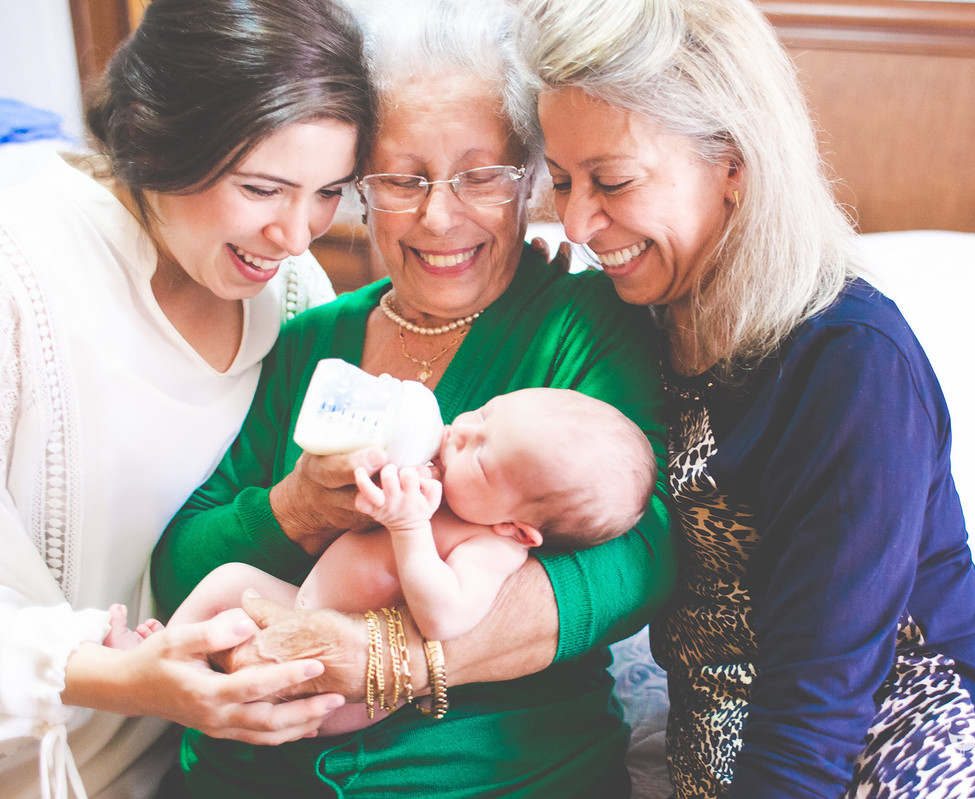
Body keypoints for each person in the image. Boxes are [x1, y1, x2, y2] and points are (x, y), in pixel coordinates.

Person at [148, 0, 675, 796]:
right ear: (359, 188)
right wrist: (297, 508)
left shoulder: (584, 322)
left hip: (495, 774)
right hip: (248, 769)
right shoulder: (308, 335)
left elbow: (646, 552)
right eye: (402, 179)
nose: (437, 215)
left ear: (530, 180)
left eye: (480, 176)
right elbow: (180, 560)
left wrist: (392, 654)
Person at [523, 0, 975, 796]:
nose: (578, 221)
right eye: (561, 180)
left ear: (732, 160)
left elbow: (817, 708)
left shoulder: (851, 365)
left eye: (613, 181)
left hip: (900, 755)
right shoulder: (637, 322)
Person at [0, 0, 375, 796]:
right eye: (263, 188)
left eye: (329, 192)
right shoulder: (22, 270)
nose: (298, 234)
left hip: (196, 768)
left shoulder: (296, 296)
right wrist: (126, 679)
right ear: (154, 136)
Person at [168, 386, 656, 734]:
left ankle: (179, 683)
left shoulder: (493, 547)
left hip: (349, 691)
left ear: (518, 526)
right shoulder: (447, 488)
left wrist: (408, 527)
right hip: (299, 606)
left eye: (481, 457)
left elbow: (443, 617)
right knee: (230, 581)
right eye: (483, 414)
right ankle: (162, 657)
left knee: (249, 680)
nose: (460, 430)